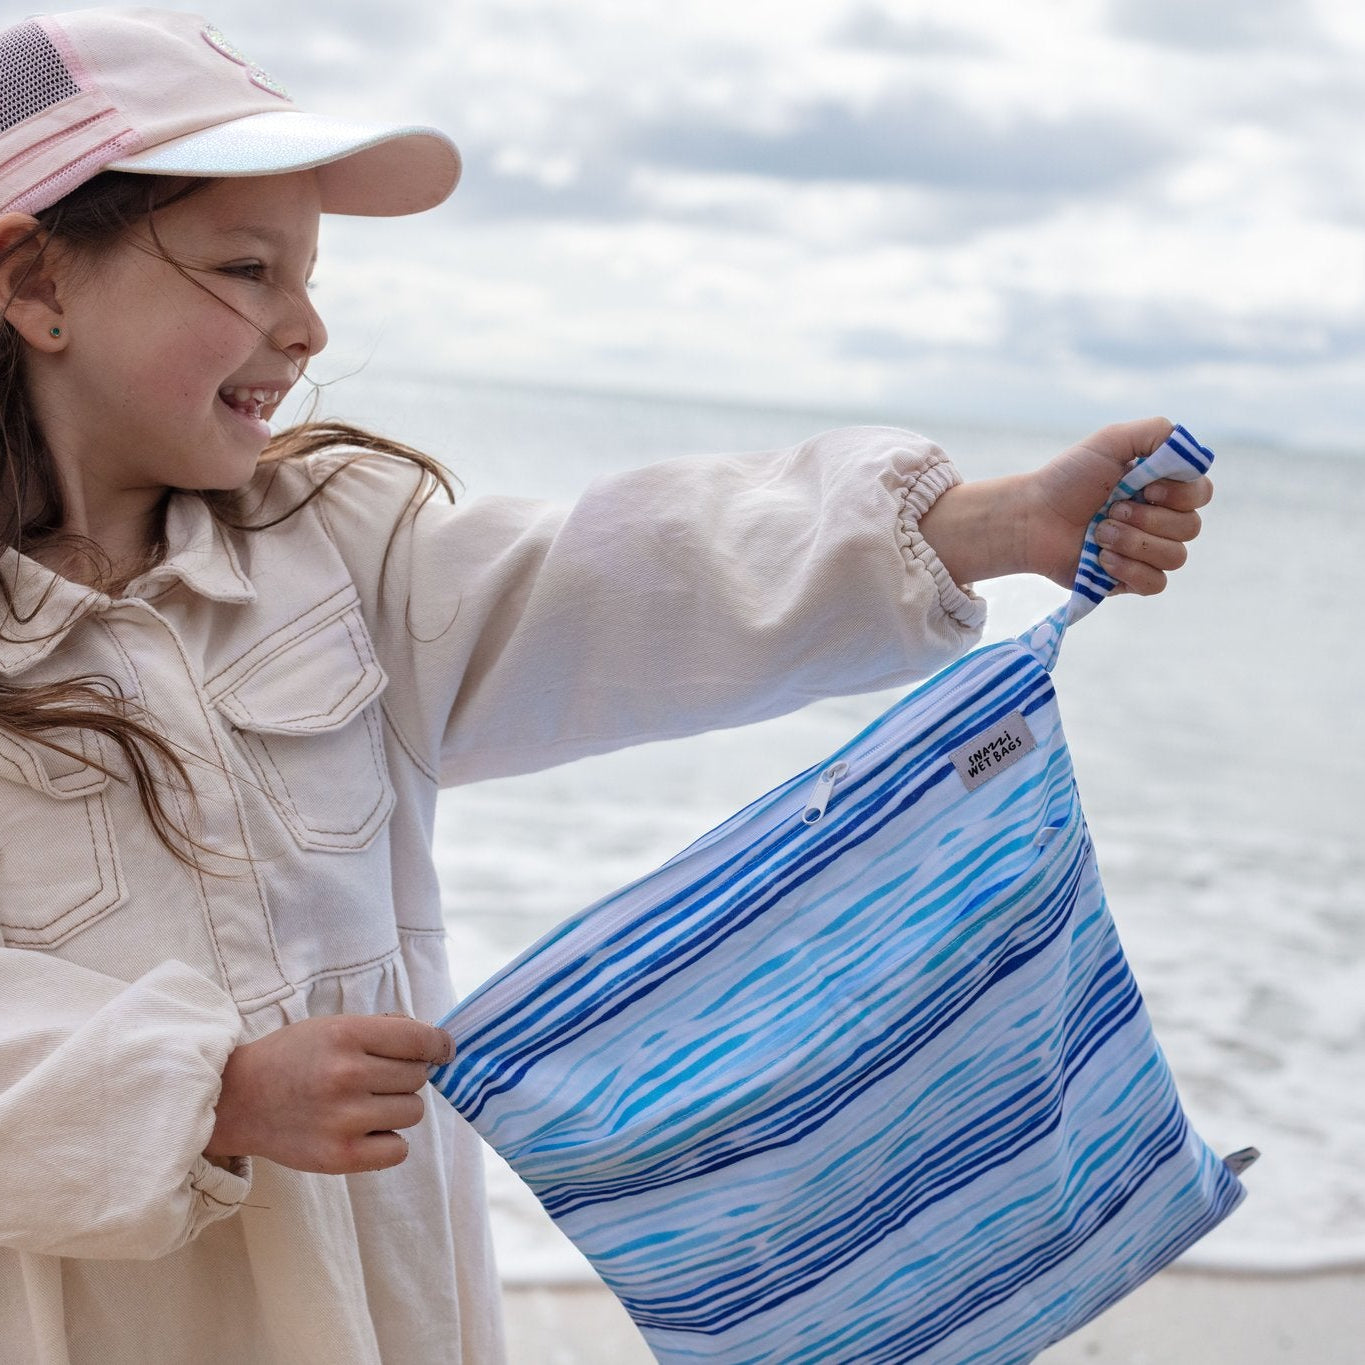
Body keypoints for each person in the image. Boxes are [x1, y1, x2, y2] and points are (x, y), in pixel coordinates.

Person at [0, 9, 1212, 1364]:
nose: (307, 322)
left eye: (308, 271)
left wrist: (979, 527)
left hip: (371, 1310)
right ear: (37, 280)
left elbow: (619, 575)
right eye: (244, 266)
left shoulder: (334, 552)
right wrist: (206, 1093)